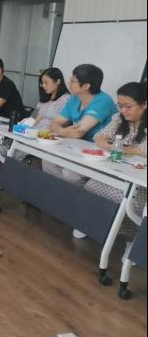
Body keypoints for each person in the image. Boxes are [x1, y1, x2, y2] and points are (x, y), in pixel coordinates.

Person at [42, 64, 116, 238]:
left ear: (86, 86)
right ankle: (64, 204)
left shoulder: (103, 101)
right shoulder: (74, 98)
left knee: (70, 174)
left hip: (97, 153)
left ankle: (80, 211)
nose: (70, 83)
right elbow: (55, 124)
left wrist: (62, 131)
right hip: (74, 146)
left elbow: (79, 131)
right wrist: (63, 131)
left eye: (73, 81)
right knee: (48, 161)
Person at [84, 82, 146, 257]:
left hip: (140, 182)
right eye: (120, 106)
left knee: (125, 201)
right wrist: (109, 144)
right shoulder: (120, 118)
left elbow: (143, 151)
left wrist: (123, 149)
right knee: (91, 186)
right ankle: (97, 226)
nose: (123, 111)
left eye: (128, 106)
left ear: (144, 104)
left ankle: (131, 239)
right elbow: (99, 136)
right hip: (118, 173)